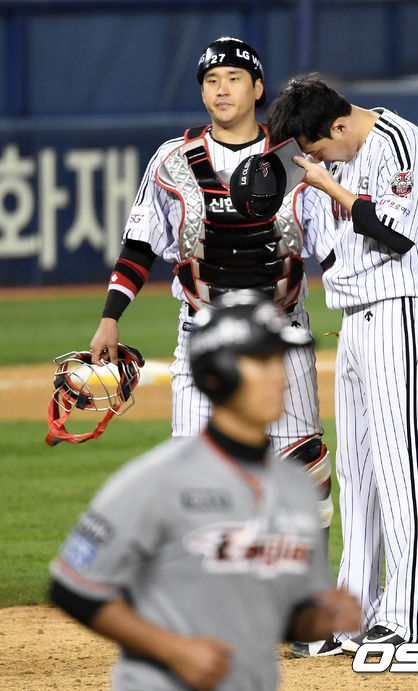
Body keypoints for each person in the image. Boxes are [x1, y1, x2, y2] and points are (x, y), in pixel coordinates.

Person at [49, 290, 361, 690]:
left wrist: (316, 620)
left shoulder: (297, 488)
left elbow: (276, 610)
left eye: (279, 360)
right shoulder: (160, 479)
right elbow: (72, 586)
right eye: (261, 362)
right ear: (217, 374)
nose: (280, 377)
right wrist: (174, 650)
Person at [89, 36, 335, 538]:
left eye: (234, 78)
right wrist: (110, 317)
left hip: (281, 334)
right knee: (195, 476)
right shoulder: (172, 160)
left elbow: (332, 251)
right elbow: (139, 245)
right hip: (201, 333)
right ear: (202, 91)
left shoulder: (295, 158)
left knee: (303, 470)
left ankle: (303, 585)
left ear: (258, 88)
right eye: (211, 80)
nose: (222, 89)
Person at [267, 75, 418, 654]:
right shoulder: (332, 163)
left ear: (341, 124)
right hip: (355, 320)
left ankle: (407, 619)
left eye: (318, 147)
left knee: (400, 469)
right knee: (357, 473)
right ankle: (353, 612)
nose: (315, 159)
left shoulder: (398, 141)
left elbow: (396, 234)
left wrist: (328, 185)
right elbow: (326, 250)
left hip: (404, 311)